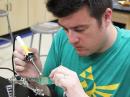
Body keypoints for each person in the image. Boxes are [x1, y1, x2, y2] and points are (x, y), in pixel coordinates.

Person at [13, 0, 130, 97]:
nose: (71, 39)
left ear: (106, 17)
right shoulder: (61, 37)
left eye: (80, 29)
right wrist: (36, 79)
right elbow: (49, 84)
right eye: (65, 28)